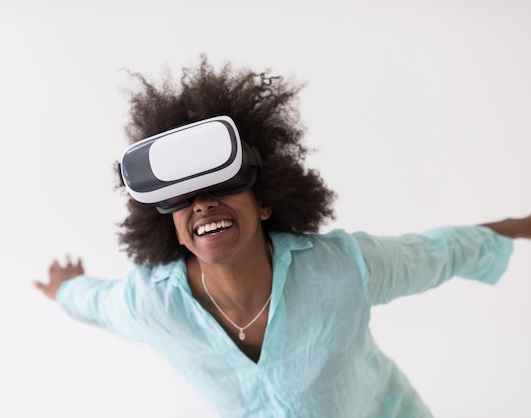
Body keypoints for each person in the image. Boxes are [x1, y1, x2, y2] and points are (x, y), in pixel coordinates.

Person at [35, 56, 531, 417]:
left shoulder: (342, 268)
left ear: (266, 199)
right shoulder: (152, 303)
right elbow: (95, 302)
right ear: (168, 226)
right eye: (181, 198)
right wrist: (65, 288)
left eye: (224, 185)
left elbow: (440, 252)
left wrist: (519, 225)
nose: (202, 204)